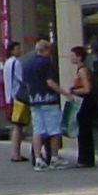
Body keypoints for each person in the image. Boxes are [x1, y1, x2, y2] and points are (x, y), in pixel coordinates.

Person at [21, 38, 65, 169]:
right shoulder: (46, 63)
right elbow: (50, 82)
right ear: (44, 49)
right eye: (49, 50)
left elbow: (26, 83)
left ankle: (38, 159)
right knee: (54, 131)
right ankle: (54, 158)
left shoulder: (28, 63)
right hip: (48, 100)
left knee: (38, 131)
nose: (50, 53)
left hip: (34, 100)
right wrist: (65, 93)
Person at [68, 44, 98, 169]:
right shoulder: (81, 70)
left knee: (84, 131)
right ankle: (86, 158)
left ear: (79, 57)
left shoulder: (82, 70)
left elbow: (87, 89)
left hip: (85, 103)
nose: (71, 58)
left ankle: (85, 159)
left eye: (73, 55)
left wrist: (74, 91)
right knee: (84, 131)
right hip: (84, 102)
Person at [0, 41, 28, 162]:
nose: (19, 51)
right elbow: (22, 78)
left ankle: (15, 152)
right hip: (17, 96)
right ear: (11, 50)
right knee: (18, 126)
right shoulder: (16, 63)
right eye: (17, 49)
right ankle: (16, 153)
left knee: (17, 125)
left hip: (10, 96)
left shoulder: (7, 63)